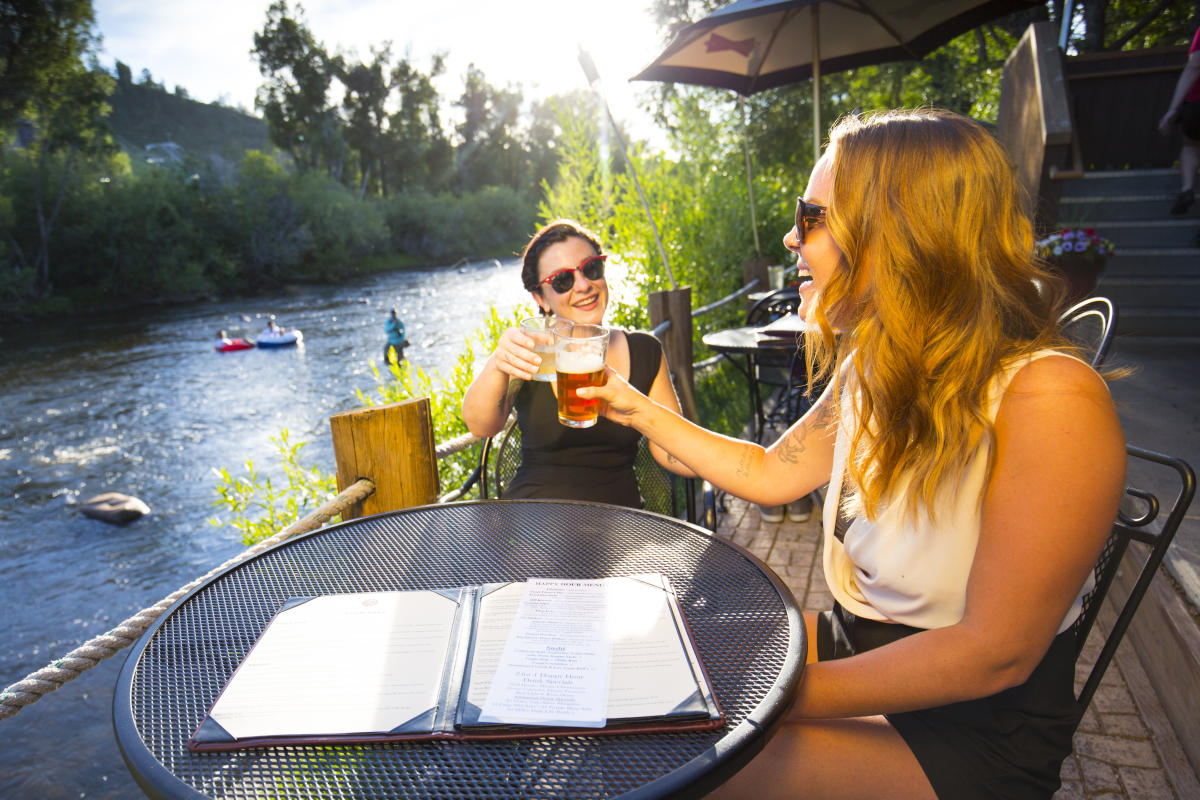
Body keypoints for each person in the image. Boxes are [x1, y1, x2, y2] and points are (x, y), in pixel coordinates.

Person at [581, 109, 1126, 799]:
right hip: (860, 645)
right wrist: (632, 405)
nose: (790, 237)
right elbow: (772, 470)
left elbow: (995, 654)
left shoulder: (1051, 399)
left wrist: (766, 695)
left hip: (967, 730)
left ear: (900, 233)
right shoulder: (877, 361)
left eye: (811, 217)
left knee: (671, 759)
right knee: (650, 660)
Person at [461, 219, 696, 507]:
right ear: (540, 297)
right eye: (563, 280)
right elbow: (480, 425)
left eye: (591, 268)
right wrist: (498, 363)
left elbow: (672, 453)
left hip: (620, 524)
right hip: (533, 522)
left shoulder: (644, 350)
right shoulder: (531, 350)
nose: (584, 285)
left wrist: (734, 468)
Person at [1158, 27, 1200, 216]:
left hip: (1197, 103)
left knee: (1190, 145)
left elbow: (1194, 66)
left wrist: (1173, 109)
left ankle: (1187, 189)